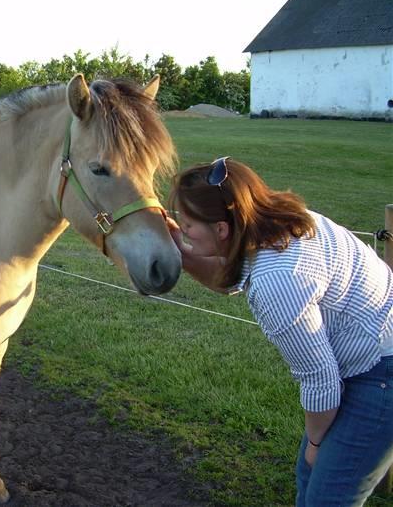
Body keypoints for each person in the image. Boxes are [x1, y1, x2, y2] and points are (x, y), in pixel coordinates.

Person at [166, 156, 393, 506]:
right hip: (371, 358)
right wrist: (176, 251)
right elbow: (229, 278)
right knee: (309, 479)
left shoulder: (278, 281)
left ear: (222, 230)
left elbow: (320, 379)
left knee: (325, 498)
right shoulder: (279, 226)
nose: (183, 231)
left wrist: (316, 444)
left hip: (380, 376)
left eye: (187, 224)